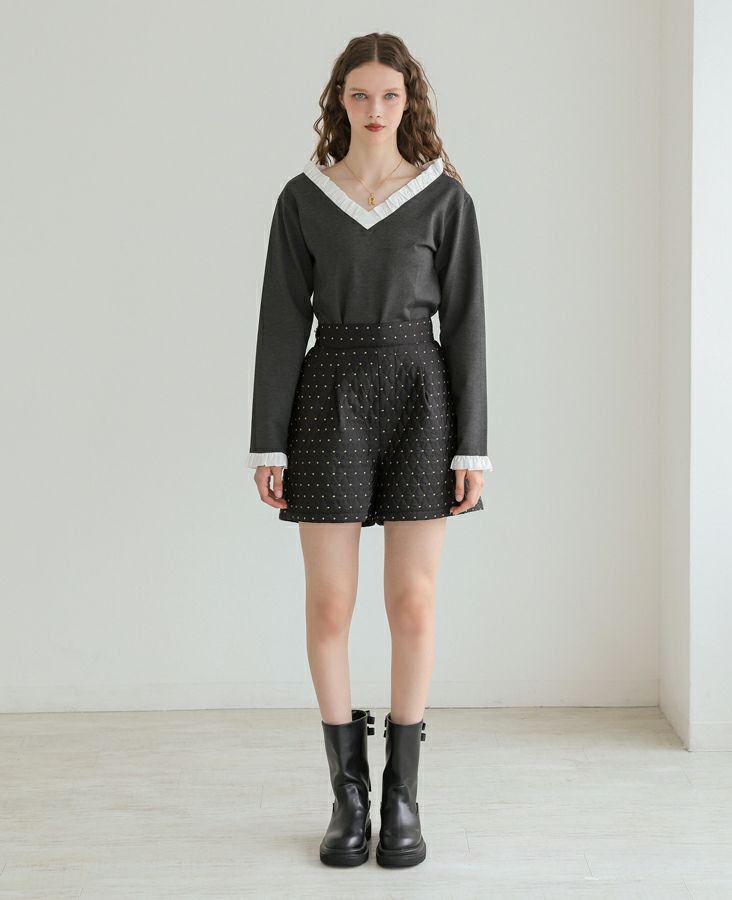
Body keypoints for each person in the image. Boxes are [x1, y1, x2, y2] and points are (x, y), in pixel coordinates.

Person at [246, 32, 492, 868]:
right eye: (360, 95)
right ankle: (347, 796)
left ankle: (403, 796)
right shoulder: (304, 198)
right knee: (329, 605)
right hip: (329, 400)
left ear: (408, 100)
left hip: (422, 398)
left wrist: (472, 449)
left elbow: (467, 325)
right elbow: (283, 320)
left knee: (413, 603)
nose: (375, 109)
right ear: (340, 101)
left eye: (390, 95)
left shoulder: (444, 197)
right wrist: (268, 441)